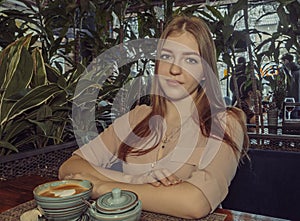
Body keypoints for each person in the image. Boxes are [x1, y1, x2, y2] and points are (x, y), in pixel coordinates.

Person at [59, 15, 249, 219]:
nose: (174, 69)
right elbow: (69, 168)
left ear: (205, 72)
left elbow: (195, 203)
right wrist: (135, 180)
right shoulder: (137, 117)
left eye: (190, 60)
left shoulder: (226, 123)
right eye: (167, 57)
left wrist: (101, 187)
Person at [281, 53, 300, 118]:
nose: (283, 63)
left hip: (294, 103)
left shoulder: (293, 72)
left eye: (283, 61)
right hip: (294, 103)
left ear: (286, 60)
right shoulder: (292, 71)